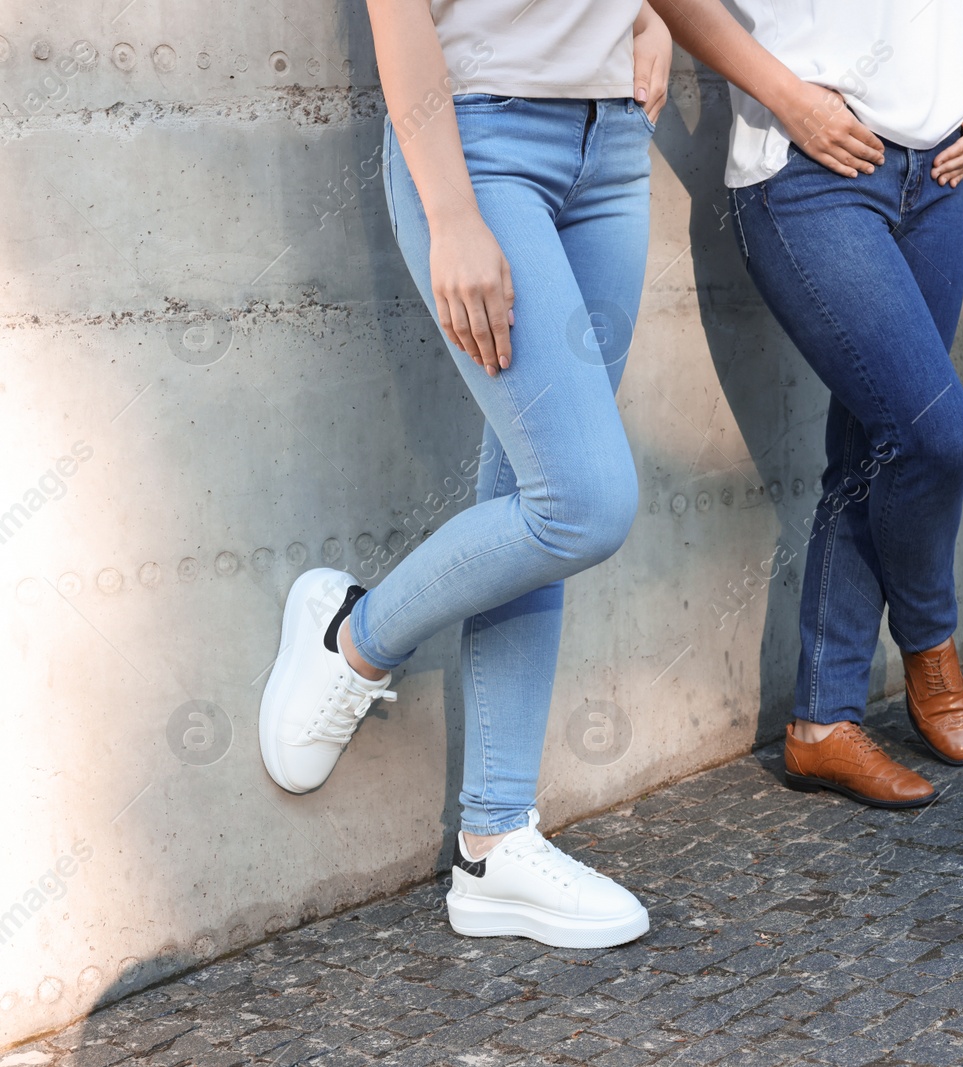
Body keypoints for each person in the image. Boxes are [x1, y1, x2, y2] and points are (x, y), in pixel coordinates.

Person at [257, 0, 673, 949]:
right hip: (482, 139)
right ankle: (354, 638)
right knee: (584, 503)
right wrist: (450, 208)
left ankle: (493, 844)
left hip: (610, 140)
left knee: (533, 494)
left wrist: (649, 17)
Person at [654, 0, 963, 807]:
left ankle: (821, 724)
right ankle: (929, 632)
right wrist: (792, 100)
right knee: (936, 438)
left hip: (938, 167)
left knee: (875, 448)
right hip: (809, 169)